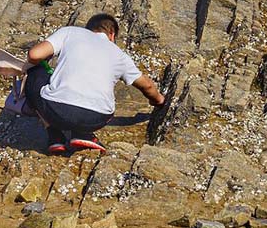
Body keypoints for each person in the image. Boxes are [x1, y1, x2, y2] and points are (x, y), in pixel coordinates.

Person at [24, 13, 165, 153]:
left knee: (35, 72)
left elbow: (34, 55)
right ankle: (82, 134)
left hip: (56, 112)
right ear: (112, 34)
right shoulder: (120, 55)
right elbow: (147, 85)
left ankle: (55, 136)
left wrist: (44, 66)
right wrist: (159, 101)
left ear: (88, 29)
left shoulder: (70, 32)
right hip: (97, 118)